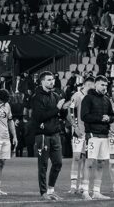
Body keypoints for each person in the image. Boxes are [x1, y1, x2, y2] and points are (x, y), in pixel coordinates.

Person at [29, 71, 66, 201]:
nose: (52, 82)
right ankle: (43, 192)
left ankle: (51, 190)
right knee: (43, 165)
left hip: (55, 133)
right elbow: (40, 116)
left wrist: (63, 109)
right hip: (43, 135)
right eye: (49, 80)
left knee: (58, 163)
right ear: (42, 81)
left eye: (53, 79)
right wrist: (57, 108)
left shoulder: (55, 95)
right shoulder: (36, 97)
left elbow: (59, 114)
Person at [80, 76, 113, 200]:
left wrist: (109, 118)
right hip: (92, 135)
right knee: (89, 163)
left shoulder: (106, 99)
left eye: (106, 85)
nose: (104, 87)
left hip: (104, 136)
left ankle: (96, 192)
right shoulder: (88, 98)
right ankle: (85, 191)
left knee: (100, 163)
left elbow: (112, 116)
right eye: (102, 85)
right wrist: (101, 118)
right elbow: (84, 116)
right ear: (95, 84)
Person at [67, 77, 94, 195]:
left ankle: (83, 185)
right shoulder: (77, 95)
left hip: (89, 132)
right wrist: (75, 127)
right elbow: (71, 112)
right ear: (84, 85)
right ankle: (73, 186)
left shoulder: (92, 97)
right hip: (78, 131)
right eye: (89, 85)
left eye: (92, 85)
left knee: (85, 159)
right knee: (76, 157)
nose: (91, 87)